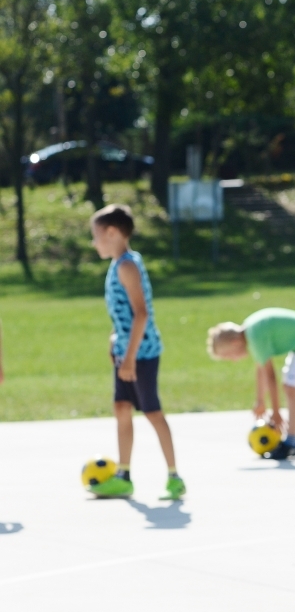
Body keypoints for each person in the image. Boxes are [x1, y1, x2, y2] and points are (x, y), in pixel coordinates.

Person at [90, 204, 185, 499]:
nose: (94, 243)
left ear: (113, 232)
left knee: (153, 413)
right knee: (121, 408)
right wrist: (114, 340)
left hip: (141, 353)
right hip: (125, 349)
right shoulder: (119, 263)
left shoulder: (127, 266)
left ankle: (174, 477)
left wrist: (130, 357)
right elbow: (124, 314)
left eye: (96, 236)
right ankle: (124, 475)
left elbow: (141, 314)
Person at [206, 307, 295, 459]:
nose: (233, 360)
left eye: (229, 355)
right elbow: (261, 369)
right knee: (290, 385)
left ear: (235, 342)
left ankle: (292, 442)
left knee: (291, 387)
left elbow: (271, 377)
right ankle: (294, 438)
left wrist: (276, 413)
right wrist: (260, 401)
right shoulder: (252, 331)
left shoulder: (256, 336)